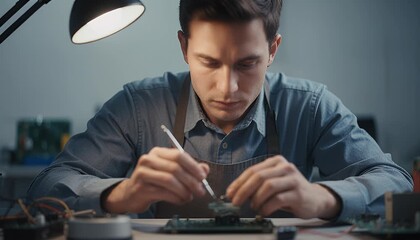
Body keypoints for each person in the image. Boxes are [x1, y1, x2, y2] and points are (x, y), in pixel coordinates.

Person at [28, 0, 412, 222]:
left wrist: (322, 198)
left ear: (273, 50)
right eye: (209, 63)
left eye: (247, 65)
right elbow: (44, 189)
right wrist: (119, 194)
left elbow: (397, 183)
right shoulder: (139, 106)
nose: (228, 88)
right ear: (184, 48)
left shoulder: (309, 106)